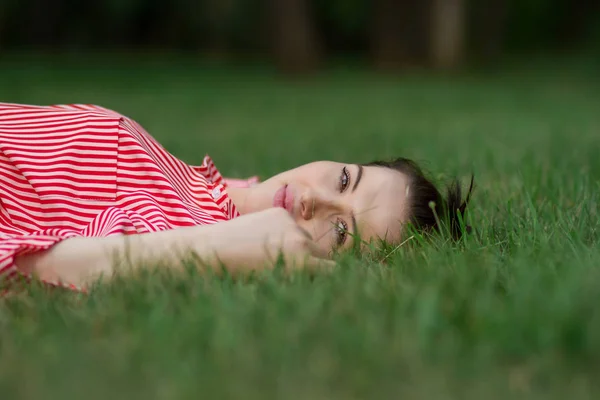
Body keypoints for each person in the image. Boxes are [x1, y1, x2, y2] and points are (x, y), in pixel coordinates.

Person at [0, 102, 473, 291]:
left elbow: (19, 271)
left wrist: (219, 246)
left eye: (342, 230)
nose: (315, 202)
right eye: (345, 180)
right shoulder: (216, 191)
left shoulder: (187, 233)